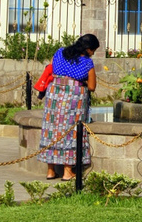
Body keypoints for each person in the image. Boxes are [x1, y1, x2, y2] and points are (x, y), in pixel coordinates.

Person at [38, 33, 99, 180]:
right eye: (93, 51)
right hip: (74, 99)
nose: (93, 54)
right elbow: (92, 86)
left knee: (51, 130)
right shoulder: (87, 63)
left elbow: (50, 69)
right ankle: (67, 171)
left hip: (54, 94)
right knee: (71, 132)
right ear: (89, 49)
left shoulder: (60, 52)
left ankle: (51, 171)